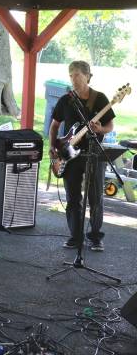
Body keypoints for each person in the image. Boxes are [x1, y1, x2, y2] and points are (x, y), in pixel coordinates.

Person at [49, 61, 115, 252]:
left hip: (94, 154)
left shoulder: (100, 99)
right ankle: (75, 236)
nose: (73, 79)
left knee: (95, 198)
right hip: (70, 156)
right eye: (70, 75)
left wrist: (100, 129)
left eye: (77, 75)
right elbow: (54, 125)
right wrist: (53, 146)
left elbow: (109, 125)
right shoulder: (65, 100)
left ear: (87, 76)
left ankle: (95, 236)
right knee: (73, 197)